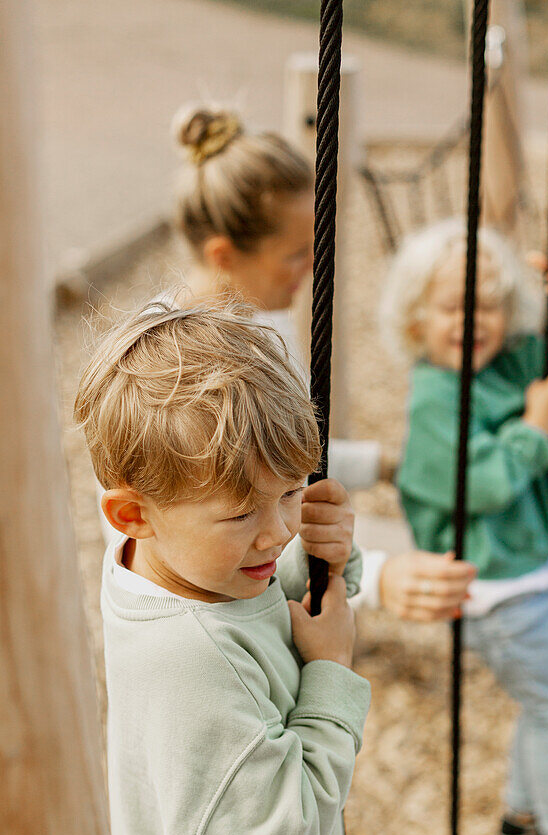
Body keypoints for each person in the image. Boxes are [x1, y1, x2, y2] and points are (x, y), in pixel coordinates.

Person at [75, 300, 371, 835]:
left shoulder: (169, 554)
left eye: (289, 494)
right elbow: (290, 821)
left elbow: (270, 581)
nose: (276, 531)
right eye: (244, 512)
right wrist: (332, 675)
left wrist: (328, 560)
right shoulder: (188, 662)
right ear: (131, 512)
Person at [385, 218, 548, 835]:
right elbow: (484, 484)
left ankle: (524, 808)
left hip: (526, 572)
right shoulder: (433, 402)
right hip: (494, 588)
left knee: (546, 697)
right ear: (415, 322)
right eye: (451, 307)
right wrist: (535, 427)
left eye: (489, 304)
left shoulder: (504, 362)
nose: (472, 320)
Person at [170, 102, 476, 622]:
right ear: (224, 255)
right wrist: (376, 578)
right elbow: (250, 520)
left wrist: (384, 465)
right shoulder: (191, 375)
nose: (312, 268)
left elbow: (278, 453)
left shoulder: (257, 314)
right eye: (294, 255)